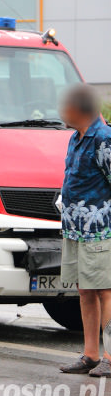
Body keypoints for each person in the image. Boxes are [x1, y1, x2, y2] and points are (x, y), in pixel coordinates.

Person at [59, 84, 111, 377]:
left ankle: (110, 355)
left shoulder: (104, 138)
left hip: (101, 229)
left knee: (106, 290)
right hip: (75, 229)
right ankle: (91, 354)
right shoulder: (75, 138)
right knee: (85, 290)